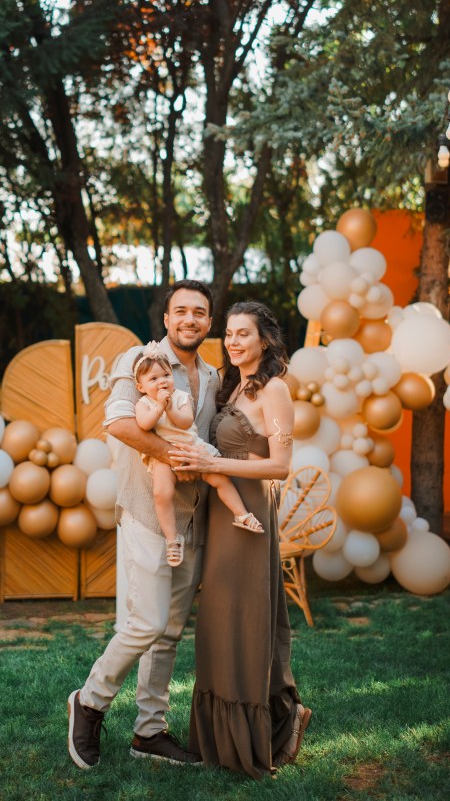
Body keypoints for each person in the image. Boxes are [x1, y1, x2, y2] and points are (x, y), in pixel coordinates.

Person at [67, 280, 219, 770]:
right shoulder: (139, 360)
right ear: (166, 319)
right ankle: (90, 701)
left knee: (169, 632)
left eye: (199, 312)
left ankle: (149, 731)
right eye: (181, 311)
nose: (190, 319)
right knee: (146, 623)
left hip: (193, 519)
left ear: (209, 321)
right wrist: (176, 458)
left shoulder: (213, 376)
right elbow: (118, 423)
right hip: (147, 511)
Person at [169, 300, 312, 779]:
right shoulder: (230, 385)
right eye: (228, 333)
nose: (232, 341)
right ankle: (226, 739)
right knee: (219, 621)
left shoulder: (275, 390)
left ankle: (274, 725)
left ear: (264, 340)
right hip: (221, 513)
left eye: (242, 334)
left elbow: (280, 466)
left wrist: (212, 464)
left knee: (246, 622)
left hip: (250, 515)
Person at [133, 344, 264, 567]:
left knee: (220, 479)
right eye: (153, 379)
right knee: (161, 493)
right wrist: (158, 408)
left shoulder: (181, 397)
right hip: (165, 454)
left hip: (191, 447)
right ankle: (172, 539)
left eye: (166, 375)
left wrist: (169, 408)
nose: (162, 382)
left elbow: (185, 422)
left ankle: (241, 514)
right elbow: (144, 425)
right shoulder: (143, 404)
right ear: (141, 387)